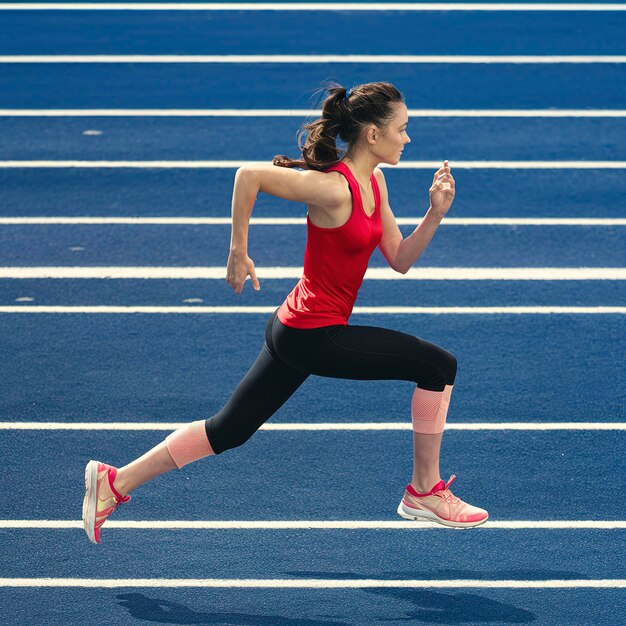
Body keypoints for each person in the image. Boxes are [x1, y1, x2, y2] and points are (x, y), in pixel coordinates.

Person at [82, 81, 488, 544]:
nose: (408, 139)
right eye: (403, 129)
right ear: (373, 135)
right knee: (438, 365)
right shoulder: (333, 188)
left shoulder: (374, 181)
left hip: (294, 329)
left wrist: (435, 214)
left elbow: (399, 259)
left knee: (227, 430)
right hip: (315, 335)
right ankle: (423, 491)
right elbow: (247, 176)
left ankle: (113, 483)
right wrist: (238, 251)